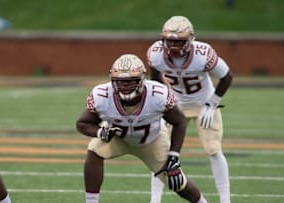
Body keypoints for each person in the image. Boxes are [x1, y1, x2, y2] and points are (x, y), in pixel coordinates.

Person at [76, 54, 209, 203]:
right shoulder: (101, 95)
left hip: (152, 141)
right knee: (94, 151)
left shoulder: (158, 94)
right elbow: (82, 123)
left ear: (142, 79)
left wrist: (174, 156)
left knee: (177, 182)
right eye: (120, 82)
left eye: (130, 81)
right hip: (119, 138)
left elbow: (179, 122)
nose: (125, 86)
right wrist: (101, 132)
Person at [147, 16, 233, 203]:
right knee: (160, 152)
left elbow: (227, 76)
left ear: (190, 39)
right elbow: (155, 80)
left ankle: (226, 200)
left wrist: (212, 103)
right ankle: (155, 200)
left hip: (204, 104)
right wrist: (160, 104)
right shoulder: (155, 53)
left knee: (213, 149)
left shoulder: (203, 53)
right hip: (174, 106)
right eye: (170, 41)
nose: (174, 46)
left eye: (179, 41)